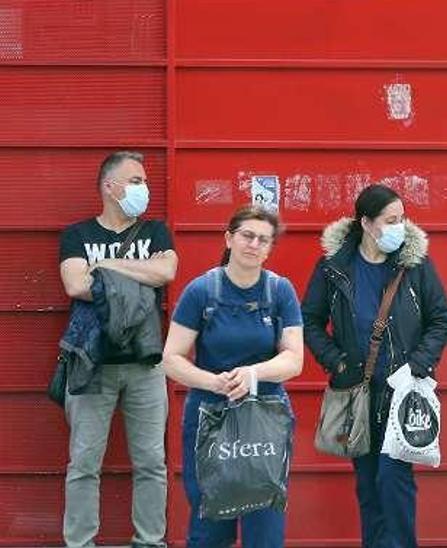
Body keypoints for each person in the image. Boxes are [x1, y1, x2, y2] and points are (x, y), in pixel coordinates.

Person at [301, 184, 447, 547]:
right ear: (367, 223)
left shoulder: (414, 264)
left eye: (402, 218)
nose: (400, 226)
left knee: (394, 481)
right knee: (368, 486)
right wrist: (336, 363)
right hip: (358, 392)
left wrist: (417, 365)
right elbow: (309, 320)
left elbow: (442, 318)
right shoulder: (334, 267)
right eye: (391, 220)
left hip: (403, 392)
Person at [161, 206, 304, 547]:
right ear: (229, 238)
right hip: (211, 417)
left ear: (270, 248)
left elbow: (294, 359)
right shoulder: (201, 291)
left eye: (263, 239)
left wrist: (253, 374)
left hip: (265, 417)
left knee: (265, 523)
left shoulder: (280, 292)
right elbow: (171, 359)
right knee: (211, 524)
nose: (254, 244)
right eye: (247, 235)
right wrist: (214, 382)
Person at [58, 151, 176, 548]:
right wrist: (134, 271)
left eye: (144, 181)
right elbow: (75, 285)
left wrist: (105, 269)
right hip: (93, 364)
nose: (144, 188)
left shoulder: (155, 231)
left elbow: (166, 271)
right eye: (136, 180)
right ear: (110, 187)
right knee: (84, 465)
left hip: (146, 366)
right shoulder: (77, 235)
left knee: (151, 465)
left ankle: (149, 541)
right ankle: (80, 543)